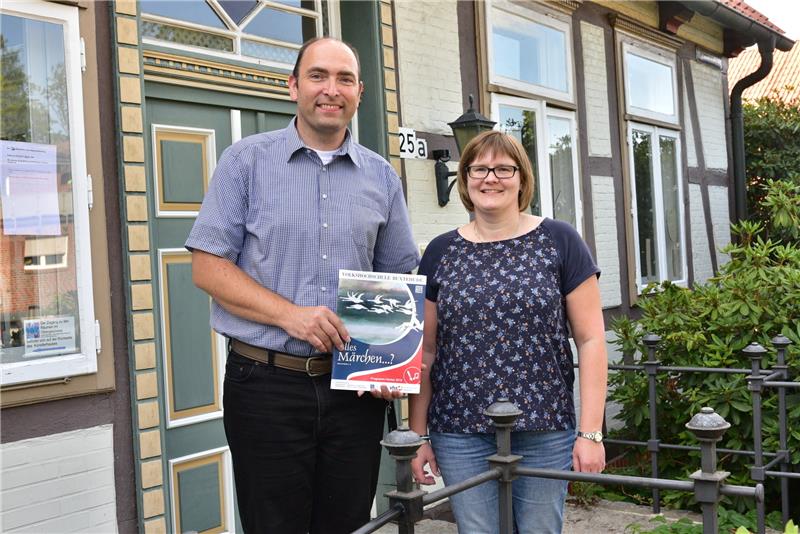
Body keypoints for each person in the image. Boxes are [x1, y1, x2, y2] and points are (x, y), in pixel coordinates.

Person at [185, 37, 419, 534]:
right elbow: (207, 267)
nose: (330, 90)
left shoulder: (382, 176)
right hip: (265, 384)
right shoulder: (245, 162)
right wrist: (292, 315)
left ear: (360, 93)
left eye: (344, 79)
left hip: (353, 391)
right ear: (293, 86)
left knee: (348, 523)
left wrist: (391, 365)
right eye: (317, 76)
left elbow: (398, 277)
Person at [409, 130, 607, 534]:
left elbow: (590, 340)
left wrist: (591, 432)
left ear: (522, 177)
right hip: (459, 429)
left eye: (503, 168)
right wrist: (417, 434)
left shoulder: (559, 240)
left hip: (544, 427)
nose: (490, 178)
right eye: (479, 169)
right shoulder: (440, 252)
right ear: (464, 180)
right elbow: (425, 352)